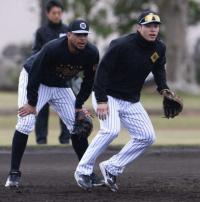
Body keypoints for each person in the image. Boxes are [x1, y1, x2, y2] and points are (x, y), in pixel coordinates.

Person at [75, 11, 174, 192]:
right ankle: (83, 171)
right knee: (111, 130)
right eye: (148, 26)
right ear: (139, 28)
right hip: (108, 95)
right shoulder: (121, 45)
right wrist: (102, 100)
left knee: (147, 136)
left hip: (131, 99)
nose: (153, 29)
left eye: (156, 26)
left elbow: (159, 68)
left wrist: (164, 89)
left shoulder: (159, 48)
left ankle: (111, 167)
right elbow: (102, 72)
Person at [5, 19, 104, 188]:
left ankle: (87, 172)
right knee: (26, 122)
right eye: (78, 35)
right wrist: (31, 103)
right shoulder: (53, 48)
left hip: (59, 85)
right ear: (69, 35)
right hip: (35, 79)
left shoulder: (91, 53)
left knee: (77, 124)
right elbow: (35, 73)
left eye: (85, 35)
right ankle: (14, 173)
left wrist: (78, 106)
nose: (82, 38)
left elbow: (89, 81)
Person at [33, 0, 70, 144]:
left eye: (59, 13)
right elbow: (36, 52)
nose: (56, 15)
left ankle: (65, 139)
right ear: (47, 13)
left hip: (63, 78)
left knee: (66, 110)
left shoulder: (68, 31)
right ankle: (41, 141)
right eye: (54, 13)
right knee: (41, 110)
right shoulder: (41, 32)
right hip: (44, 79)